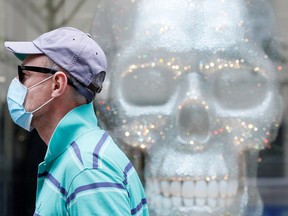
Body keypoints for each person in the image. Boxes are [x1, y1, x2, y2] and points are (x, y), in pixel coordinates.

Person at [4, 27, 148, 215]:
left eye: (25, 75)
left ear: (57, 84)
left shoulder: (87, 169)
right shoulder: (76, 158)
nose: (17, 81)